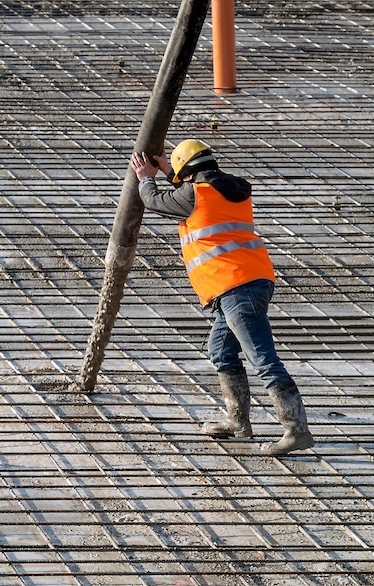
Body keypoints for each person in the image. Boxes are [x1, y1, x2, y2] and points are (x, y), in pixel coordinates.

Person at [130, 139, 314, 456]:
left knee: (263, 360)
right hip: (249, 281)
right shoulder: (232, 190)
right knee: (220, 349)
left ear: (186, 172)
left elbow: (156, 200)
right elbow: (196, 193)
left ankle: (296, 430)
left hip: (235, 286)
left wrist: (146, 176)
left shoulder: (193, 193)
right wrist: (171, 170)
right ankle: (237, 422)